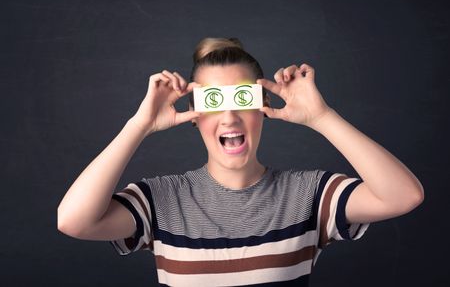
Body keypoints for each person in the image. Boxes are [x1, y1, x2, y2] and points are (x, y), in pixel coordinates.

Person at [57, 37, 424, 286]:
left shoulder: (309, 195)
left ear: (263, 110)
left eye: (243, 99)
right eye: (214, 101)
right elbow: (74, 221)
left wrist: (321, 117)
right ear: (195, 115)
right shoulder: (160, 200)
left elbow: (403, 196)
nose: (230, 117)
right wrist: (139, 125)